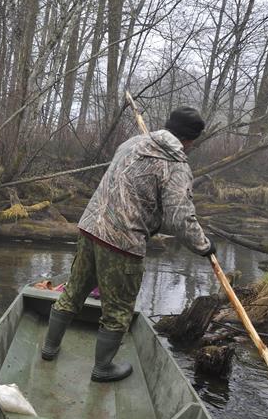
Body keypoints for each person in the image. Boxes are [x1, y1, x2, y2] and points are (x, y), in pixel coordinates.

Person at [40, 107, 215, 382]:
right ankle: (102, 368)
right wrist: (204, 246)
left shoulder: (133, 142)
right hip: (122, 243)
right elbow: (180, 218)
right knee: (118, 311)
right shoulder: (177, 166)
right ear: (190, 141)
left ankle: (49, 349)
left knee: (73, 293)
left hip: (90, 227)